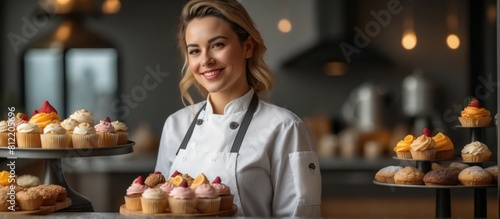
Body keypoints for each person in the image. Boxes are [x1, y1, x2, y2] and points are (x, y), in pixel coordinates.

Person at [154, 0, 322, 216]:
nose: (205, 60)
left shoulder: (285, 128)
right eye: (195, 51)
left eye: (217, 45)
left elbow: (299, 214)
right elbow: (159, 207)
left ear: (248, 47)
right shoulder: (175, 125)